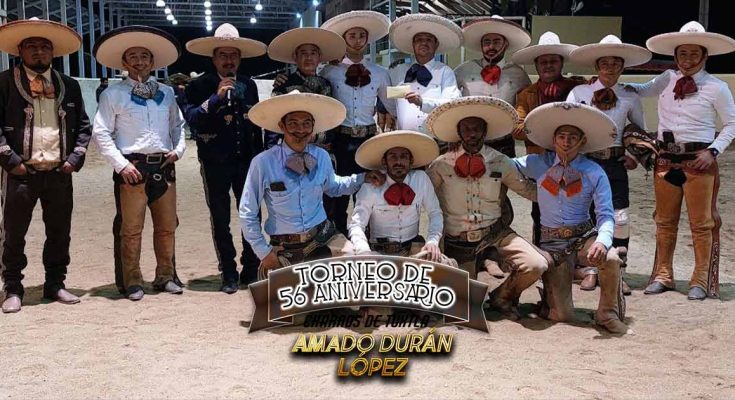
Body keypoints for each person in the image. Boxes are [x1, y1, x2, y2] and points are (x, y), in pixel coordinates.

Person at [629, 22, 735, 300]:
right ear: (675, 56)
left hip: (698, 161)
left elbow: (731, 125)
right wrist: (610, 82)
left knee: (702, 224)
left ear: (704, 56)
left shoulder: (716, 87)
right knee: (664, 221)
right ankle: (662, 274)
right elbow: (641, 91)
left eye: (693, 54)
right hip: (665, 159)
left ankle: (700, 279)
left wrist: (713, 151)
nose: (687, 60)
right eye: (682, 54)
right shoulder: (666, 79)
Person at [0, 18, 92, 313]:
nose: (38, 52)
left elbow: (84, 127)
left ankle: (55, 283)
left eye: (44, 47)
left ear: (53, 52)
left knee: (59, 231)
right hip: (20, 173)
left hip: (58, 172)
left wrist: (74, 159)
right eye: (32, 47)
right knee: (13, 233)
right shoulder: (3, 83)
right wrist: (11, 161)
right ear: (20, 50)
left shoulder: (70, 85)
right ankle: (12, 286)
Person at [514, 102, 630, 334]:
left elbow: (606, 215)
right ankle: (551, 298)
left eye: (572, 137)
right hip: (552, 243)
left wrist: (602, 241)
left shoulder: (595, 172)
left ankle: (608, 314)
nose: (566, 142)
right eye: (561, 136)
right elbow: (505, 166)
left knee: (610, 258)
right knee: (561, 316)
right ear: (553, 139)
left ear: (582, 141)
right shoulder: (537, 164)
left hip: (582, 239)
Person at [239, 91, 384, 275]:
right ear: (281, 125)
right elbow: (247, 212)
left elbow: (334, 186)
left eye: (306, 123)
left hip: (322, 236)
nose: (300, 130)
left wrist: (362, 178)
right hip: (284, 246)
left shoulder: (321, 156)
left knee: (352, 272)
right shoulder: (263, 162)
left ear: (313, 127)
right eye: (293, 123)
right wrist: (263, 252)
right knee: (278, 299)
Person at [426, 96, 545, 319]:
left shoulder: (501, 161)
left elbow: (528, 190)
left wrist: (564, 192)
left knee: (536, 264)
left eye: (477, 129)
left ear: (485, 132)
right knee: (462, 312)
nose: (472, 134)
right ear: (459, 132)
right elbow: (420, 196)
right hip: (457, 240)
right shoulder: (441, 164)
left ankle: (503, 296)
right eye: (467, 129)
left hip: (495, 233)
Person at [92, 26, 186, 301]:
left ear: (152, 61)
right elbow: (101, 132)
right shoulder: (113, 94)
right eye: (133, 56)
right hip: (132, 166)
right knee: (131, 229)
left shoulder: (167, 93)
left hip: (164, 165)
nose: (139, 61)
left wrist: (178, 150)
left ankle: (165, 275)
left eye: (144, 56)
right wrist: (121, 165)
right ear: (124, 62)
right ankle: (133, 280)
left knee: (167, 226)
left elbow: (178, 126)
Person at [182, 23, 268, 293]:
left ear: (239, 58)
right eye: (223, 55)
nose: (229, 60)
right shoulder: (198, 86)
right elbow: (193, 119)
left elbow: (256, 122)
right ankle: (228, 271)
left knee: (250, 215)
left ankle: (251, 268)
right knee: (220, 218)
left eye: (234, 55)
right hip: (214, 162)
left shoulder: (249, 85)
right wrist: (215, 99)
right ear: (214, 58)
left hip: (247, 161)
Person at [566, 35, 651, 293]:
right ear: (596, 66)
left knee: (619, 217)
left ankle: (616, 272)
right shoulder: (579, 93)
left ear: (622, 67)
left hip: (614, 163)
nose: (610, 68)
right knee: (586, 215)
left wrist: (634, 155)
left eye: (616, 63)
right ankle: (590, 269)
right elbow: (567, 124)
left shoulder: (629, 96)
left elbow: (640, 129)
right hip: (586, 162)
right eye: (605, 63)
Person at [320, 10, 397, 235]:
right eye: (351, 35)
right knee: (339, 196)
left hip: (368, 141)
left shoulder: (380, 73)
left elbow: (393, 107)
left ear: (367, 39)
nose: (356, 40)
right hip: (341, 141)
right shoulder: (329, 71)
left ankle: (369, 241)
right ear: (344, 38)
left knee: (369, 192)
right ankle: (341, 241)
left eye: (361, 35)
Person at [511, 31, 584, 246]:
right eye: (543, 62)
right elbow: (517, 128)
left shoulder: (576, 88)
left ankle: (576, 259)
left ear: (561, 63)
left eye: (553, 61)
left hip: (573, 162)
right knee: (541, 211)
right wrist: (551, 135)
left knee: (576, 209)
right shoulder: (526, 94)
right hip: (541, 162)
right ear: (536, 65)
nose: (548, 66)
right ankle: (544, 254)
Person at [349, 130, 443, 260]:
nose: (398, 162)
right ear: (384, 161)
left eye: (404, 156)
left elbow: (435, 213)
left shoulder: (421, 179)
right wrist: (363, 251)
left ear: (411, 161)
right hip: (379, 254)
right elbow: (357, 225)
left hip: (414, 251)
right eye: (393, 156)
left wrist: (432, 241)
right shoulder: (370, 187)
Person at [454, 15, 532, 156]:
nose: (491, 46)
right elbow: (451, 102)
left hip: (504, 143)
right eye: (487, 42)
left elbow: (526, 105)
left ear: (506, 44)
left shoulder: (519, 74)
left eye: (496, 42)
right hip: (470, 142)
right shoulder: (463, 70)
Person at [267, 27, 345, 148]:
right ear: (295, 57)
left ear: (319, 57)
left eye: (313, 53)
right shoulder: (284, 83)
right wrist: (271, 149)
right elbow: (273, 118)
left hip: (321, 148)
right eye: (303, 53)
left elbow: (331, 118)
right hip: (290, 148)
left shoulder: (326, 84)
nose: (308, 58)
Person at [388, 13, 462, 133]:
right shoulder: (397, 70)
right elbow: (389, 99)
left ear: (436, 44)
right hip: (405, 141)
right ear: (413, 44)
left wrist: (423, 102)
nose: (423, 43)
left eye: (429, 39)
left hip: (435, 140)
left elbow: (451, 104)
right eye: (419, 40)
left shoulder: (444, 72)